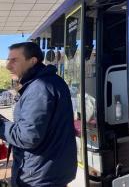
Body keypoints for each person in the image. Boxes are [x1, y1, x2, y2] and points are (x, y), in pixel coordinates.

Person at [0, 42, 77, 187]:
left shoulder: (39, 87)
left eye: (14, 60)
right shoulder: (51, 82)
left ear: (32, 61)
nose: (8, 66)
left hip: (39, 176)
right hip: (50, 171)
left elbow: (28, 137)